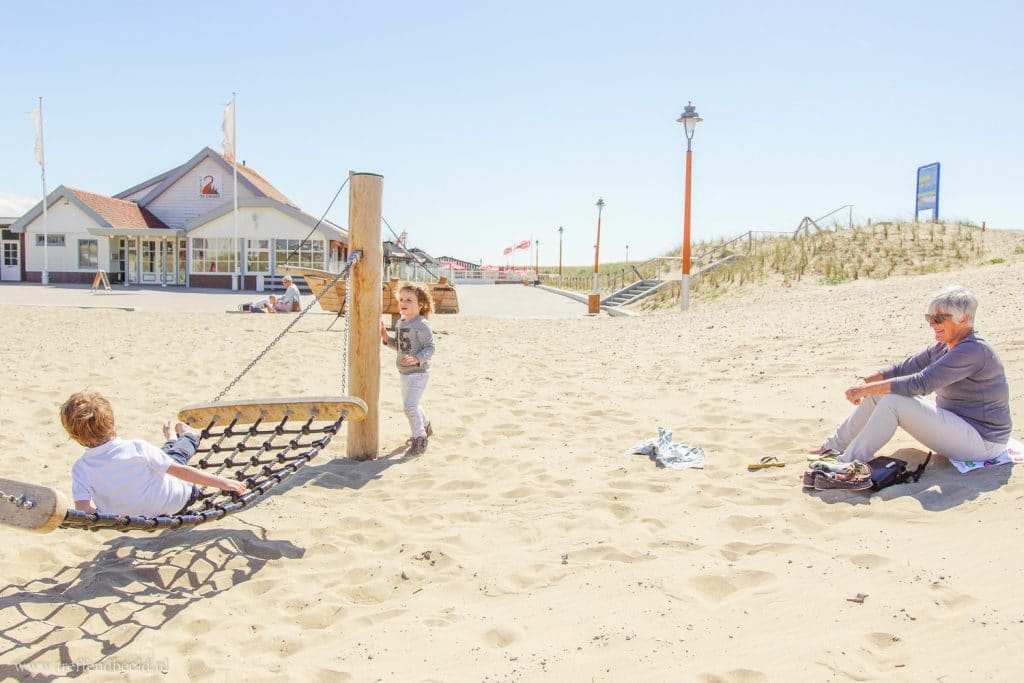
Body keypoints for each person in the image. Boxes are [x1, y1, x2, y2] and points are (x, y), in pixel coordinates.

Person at [810, 284, 1011, 464]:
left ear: (963, 319)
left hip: (983, 441)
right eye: (929, 318)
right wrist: (865, 382)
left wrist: (863, 390)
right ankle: (833, 447)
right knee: (880, 392)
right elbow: (902, 368)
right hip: (958, 426)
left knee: (893, 402)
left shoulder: (973, 350)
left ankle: (846, 464)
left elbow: (921, 383)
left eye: (938, 318)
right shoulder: (944, 347)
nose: (931, 323)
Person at [61, 390, 246, 517]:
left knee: (157, 460)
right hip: (179, 502)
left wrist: (108, 518)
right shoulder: (136, 448)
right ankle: (190, 436)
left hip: (129, 520)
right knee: (173, 458)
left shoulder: (80, 468)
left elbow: (84, 509)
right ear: (111, 422)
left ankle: (172, 439)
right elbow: (181, 472)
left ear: (73, 435)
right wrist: (224, 483)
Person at [380, 282, 436, 455]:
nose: (403, 302)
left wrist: (416, 359)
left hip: (419, 373)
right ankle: (426, 426)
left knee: (409, 406)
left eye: (409, 300)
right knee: (413, 404)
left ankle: (420, 438)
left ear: (421, 304)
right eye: (401, 299)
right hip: (404, 373)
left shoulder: (422, 324)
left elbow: (430, 348)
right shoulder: (400, 323)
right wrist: (385, 338)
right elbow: (400, 346)